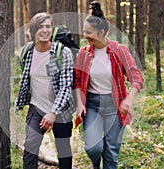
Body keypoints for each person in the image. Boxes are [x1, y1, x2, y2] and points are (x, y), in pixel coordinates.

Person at [74, 1, 144, 169]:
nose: (85, 36)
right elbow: (77, 81)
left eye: (89, 32)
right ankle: (96, 165)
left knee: (111, 152)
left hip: (115, 105)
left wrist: (128, 100)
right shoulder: (83, 54)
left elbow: (136, 77)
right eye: (84, 32)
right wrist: (79, 103)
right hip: (92, 105)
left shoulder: (119, 50)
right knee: (93, 148)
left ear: (102, 32)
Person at [15, 12, 75, 169]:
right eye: (40, 27)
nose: (45, 30)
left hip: (61, 110)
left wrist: (53, 112)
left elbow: (65, 87)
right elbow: (26, 80)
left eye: (48, 26)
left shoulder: (63, 53)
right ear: (33, 30)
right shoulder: (27, 52)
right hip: (37, 107)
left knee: (63, 151)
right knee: (30, 148)